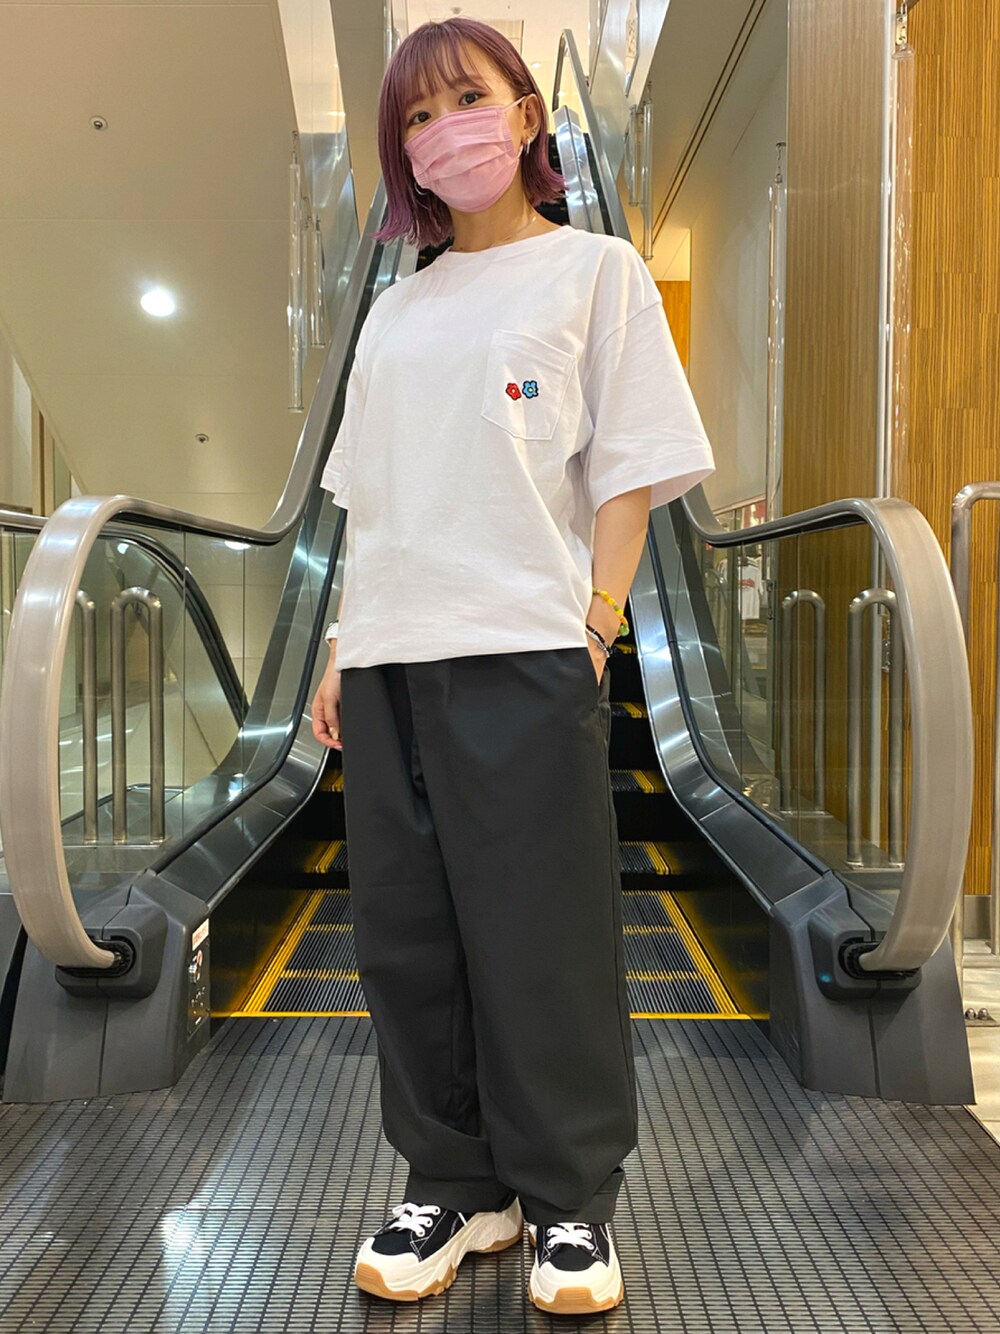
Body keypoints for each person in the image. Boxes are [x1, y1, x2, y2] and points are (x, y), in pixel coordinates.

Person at [310, 16, 714, 1317]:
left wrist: (597, 622)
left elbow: (629, 469)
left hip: (529, 647)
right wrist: (340, 646)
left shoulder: (596, 272)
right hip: (390, 654)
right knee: (408, 937)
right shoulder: (394, 313)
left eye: (466, 101)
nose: (446, 133)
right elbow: (371, 499)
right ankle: (455, 1180)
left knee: (542, 934)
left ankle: (568, 1200)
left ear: (528, 114)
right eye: (418, 119)